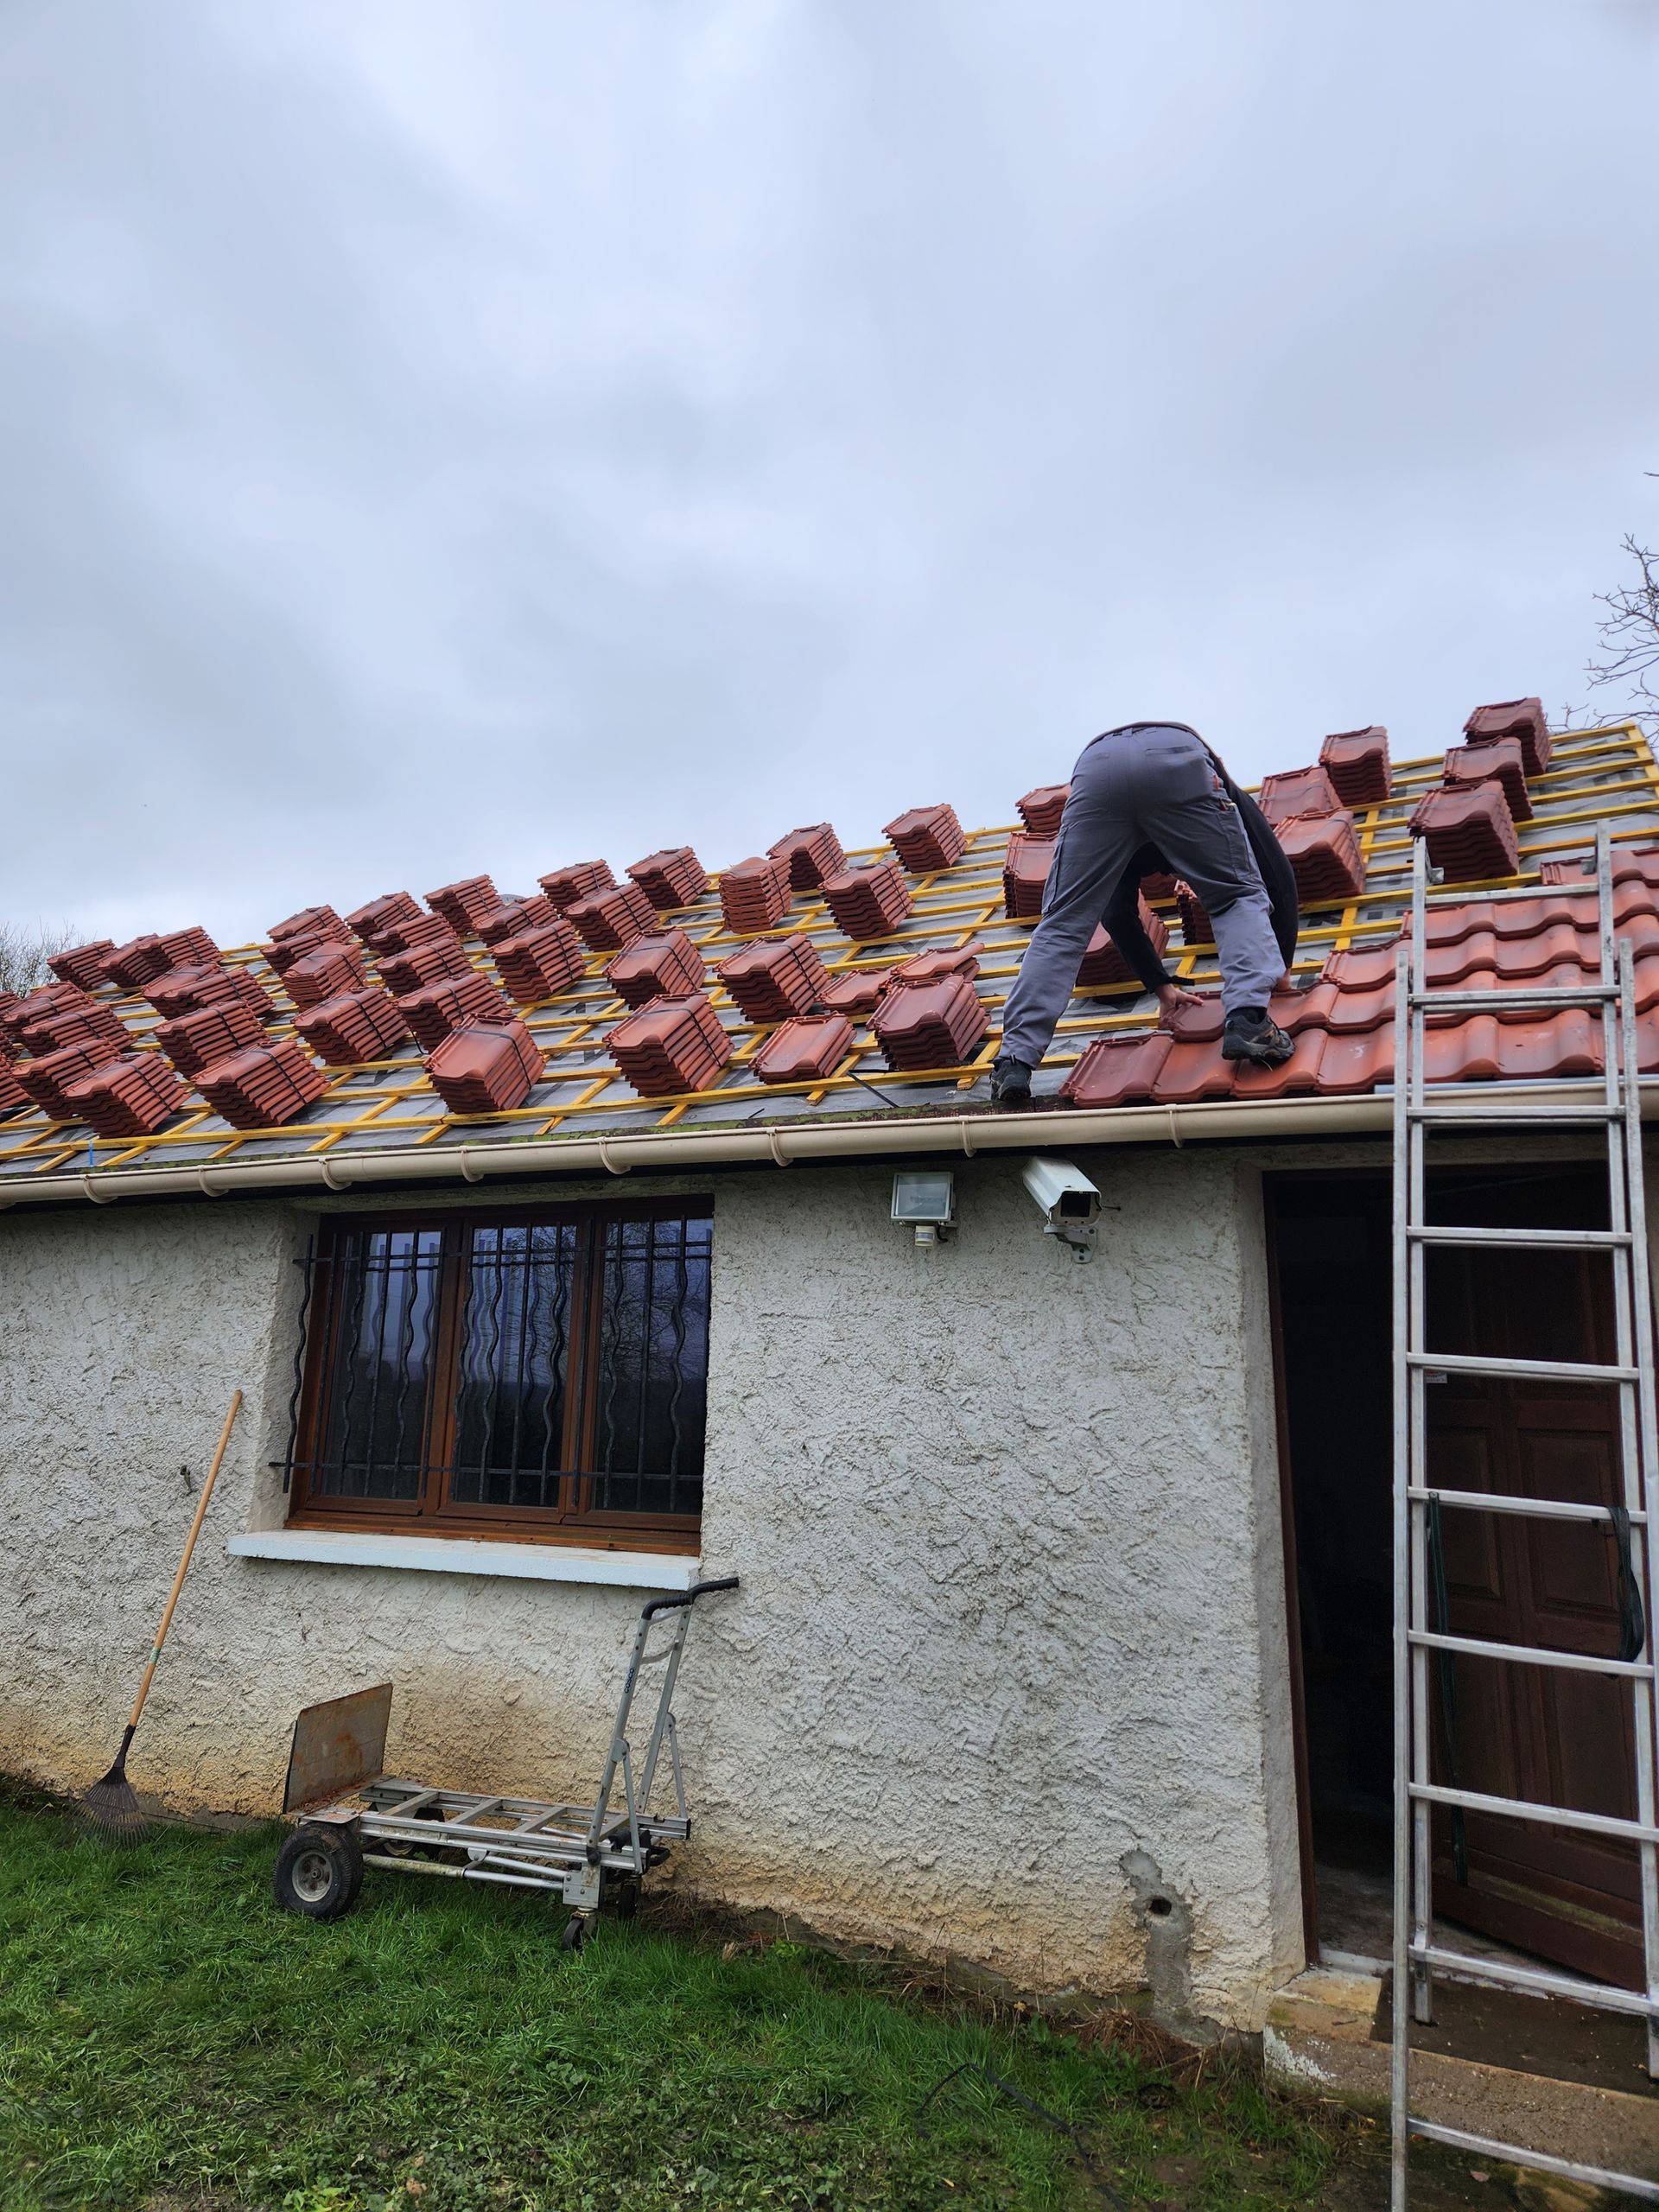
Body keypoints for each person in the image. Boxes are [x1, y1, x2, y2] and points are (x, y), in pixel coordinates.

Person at [992, 721, 1298, 1106]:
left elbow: (1115, 913)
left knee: (1062, 926)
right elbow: (1277, 875)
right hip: (1177, 752)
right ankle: (1249, 1021)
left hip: (1095, 770)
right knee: (1234, 894)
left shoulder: (1115, 845)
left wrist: (1160, 987)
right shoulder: (1216, 797)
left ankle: (1014, 1062)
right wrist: (1279, 965)